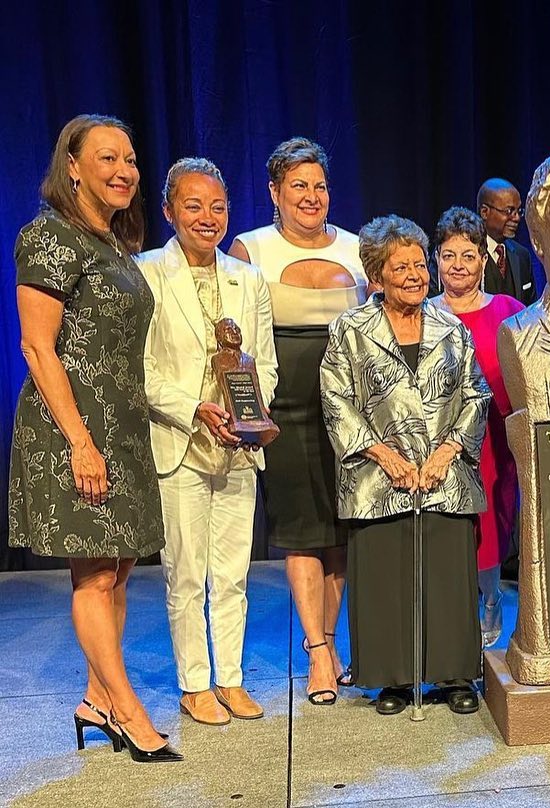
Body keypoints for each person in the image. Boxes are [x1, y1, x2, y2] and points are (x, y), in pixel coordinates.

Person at [9, 114, 180, 762]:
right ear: (73, 167)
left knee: (118, 569)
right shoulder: (49, 236)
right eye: (107, 158)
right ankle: (128, 710)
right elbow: (37, 346)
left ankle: (95, 699)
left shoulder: (112, 243)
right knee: (95, 575)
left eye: (130, 159)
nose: (123, 171)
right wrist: (81, 443)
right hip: (72, 429)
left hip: (122, 427)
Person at [320, 215, 491, 715]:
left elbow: (476, 394)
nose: (416, 275)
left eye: (420, 264)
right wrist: (383, 454)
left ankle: (454, 674)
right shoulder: (350, 329)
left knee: (447, 576)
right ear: (377, 274)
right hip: (377, 477)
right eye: (402, 267)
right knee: (386, 577)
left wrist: (448, 451)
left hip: (444, 476)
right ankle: (392, 679)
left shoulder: (451, 328)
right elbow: (335, 398)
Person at [138, 158, 278, 724]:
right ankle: (195, 683)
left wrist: (248, 415)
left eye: (217, 206)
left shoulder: (248, 278)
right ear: (169, 211)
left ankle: (231, 679)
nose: (207, 217)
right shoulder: (147, 273)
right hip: (181, 443)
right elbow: (141, 368)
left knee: (233, 573)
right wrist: (194, 410)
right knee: (186, 572)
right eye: (193, 206)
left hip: (237, 446)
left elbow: (265, 365)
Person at [229, 138, 367, 705]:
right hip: (282, 409)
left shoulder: (358, 249)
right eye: (298, 186)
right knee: (300, 530)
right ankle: (315, 652)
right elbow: (232, 342)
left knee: (340, 531)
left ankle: (331, 643)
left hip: (349, 410)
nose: (311, 196)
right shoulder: (250, 249)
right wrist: (246, 412)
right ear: (274, 192)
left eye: (319, 186)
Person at [428, 207, 524, 647]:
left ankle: (490, 597)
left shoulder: (510, 312)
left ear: (484, 260)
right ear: (436, 259)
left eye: (468, 255)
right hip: (438, 441)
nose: (458, 265)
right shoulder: (422, 314)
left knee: (491, 526)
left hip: (496, 440)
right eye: (449, 255)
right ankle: (451, 609)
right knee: (449, 527)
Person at [477, 178, 536, 304]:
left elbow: (531, 308)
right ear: (484, 212)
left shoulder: (522, 256)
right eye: (509, 211)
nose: (517, 218)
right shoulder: (465, 256)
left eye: (519, 211)